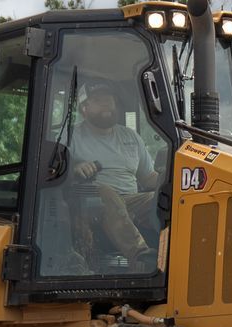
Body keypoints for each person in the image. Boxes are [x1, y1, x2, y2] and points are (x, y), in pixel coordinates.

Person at [69, 83, 163, 266]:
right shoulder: (71, 136)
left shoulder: (131, 137)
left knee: (162, 199)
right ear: (83, 109)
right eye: (97, 100)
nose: (105, 104)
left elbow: (148, 177)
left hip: (131, 199)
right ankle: (141, 257)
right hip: (91, 203)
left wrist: (173, 180)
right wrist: (75, 167)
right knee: (106, 193)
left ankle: (175, 257)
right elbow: (56, 170)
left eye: (108, 100)